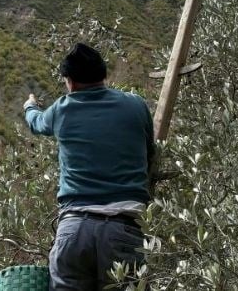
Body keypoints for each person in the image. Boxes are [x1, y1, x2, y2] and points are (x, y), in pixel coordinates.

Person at [23, 42, 154, 290]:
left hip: (73, 231)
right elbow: (150, 153)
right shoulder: (136, 105)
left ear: (69, 82)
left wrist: (29, 106)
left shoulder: (62, 109)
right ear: (104, 75)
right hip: (124, 230)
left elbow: (36, 123)